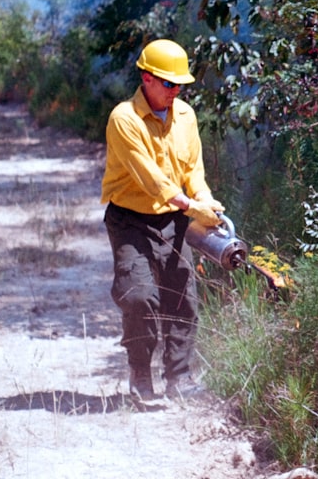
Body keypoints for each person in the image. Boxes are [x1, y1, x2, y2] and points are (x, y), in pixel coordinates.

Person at [100, 38, 225, 400]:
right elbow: (151, 179)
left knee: (182, 298)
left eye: (180, 85)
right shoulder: (124, 119)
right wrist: (192, 207)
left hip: (174, 219)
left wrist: (205, 201)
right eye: (169, 83)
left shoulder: (185, 116)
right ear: (147, 78)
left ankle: (179, 379)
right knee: (139, 297)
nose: (175, 91)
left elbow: (193, 171)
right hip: (130, 220)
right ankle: (140, 373)